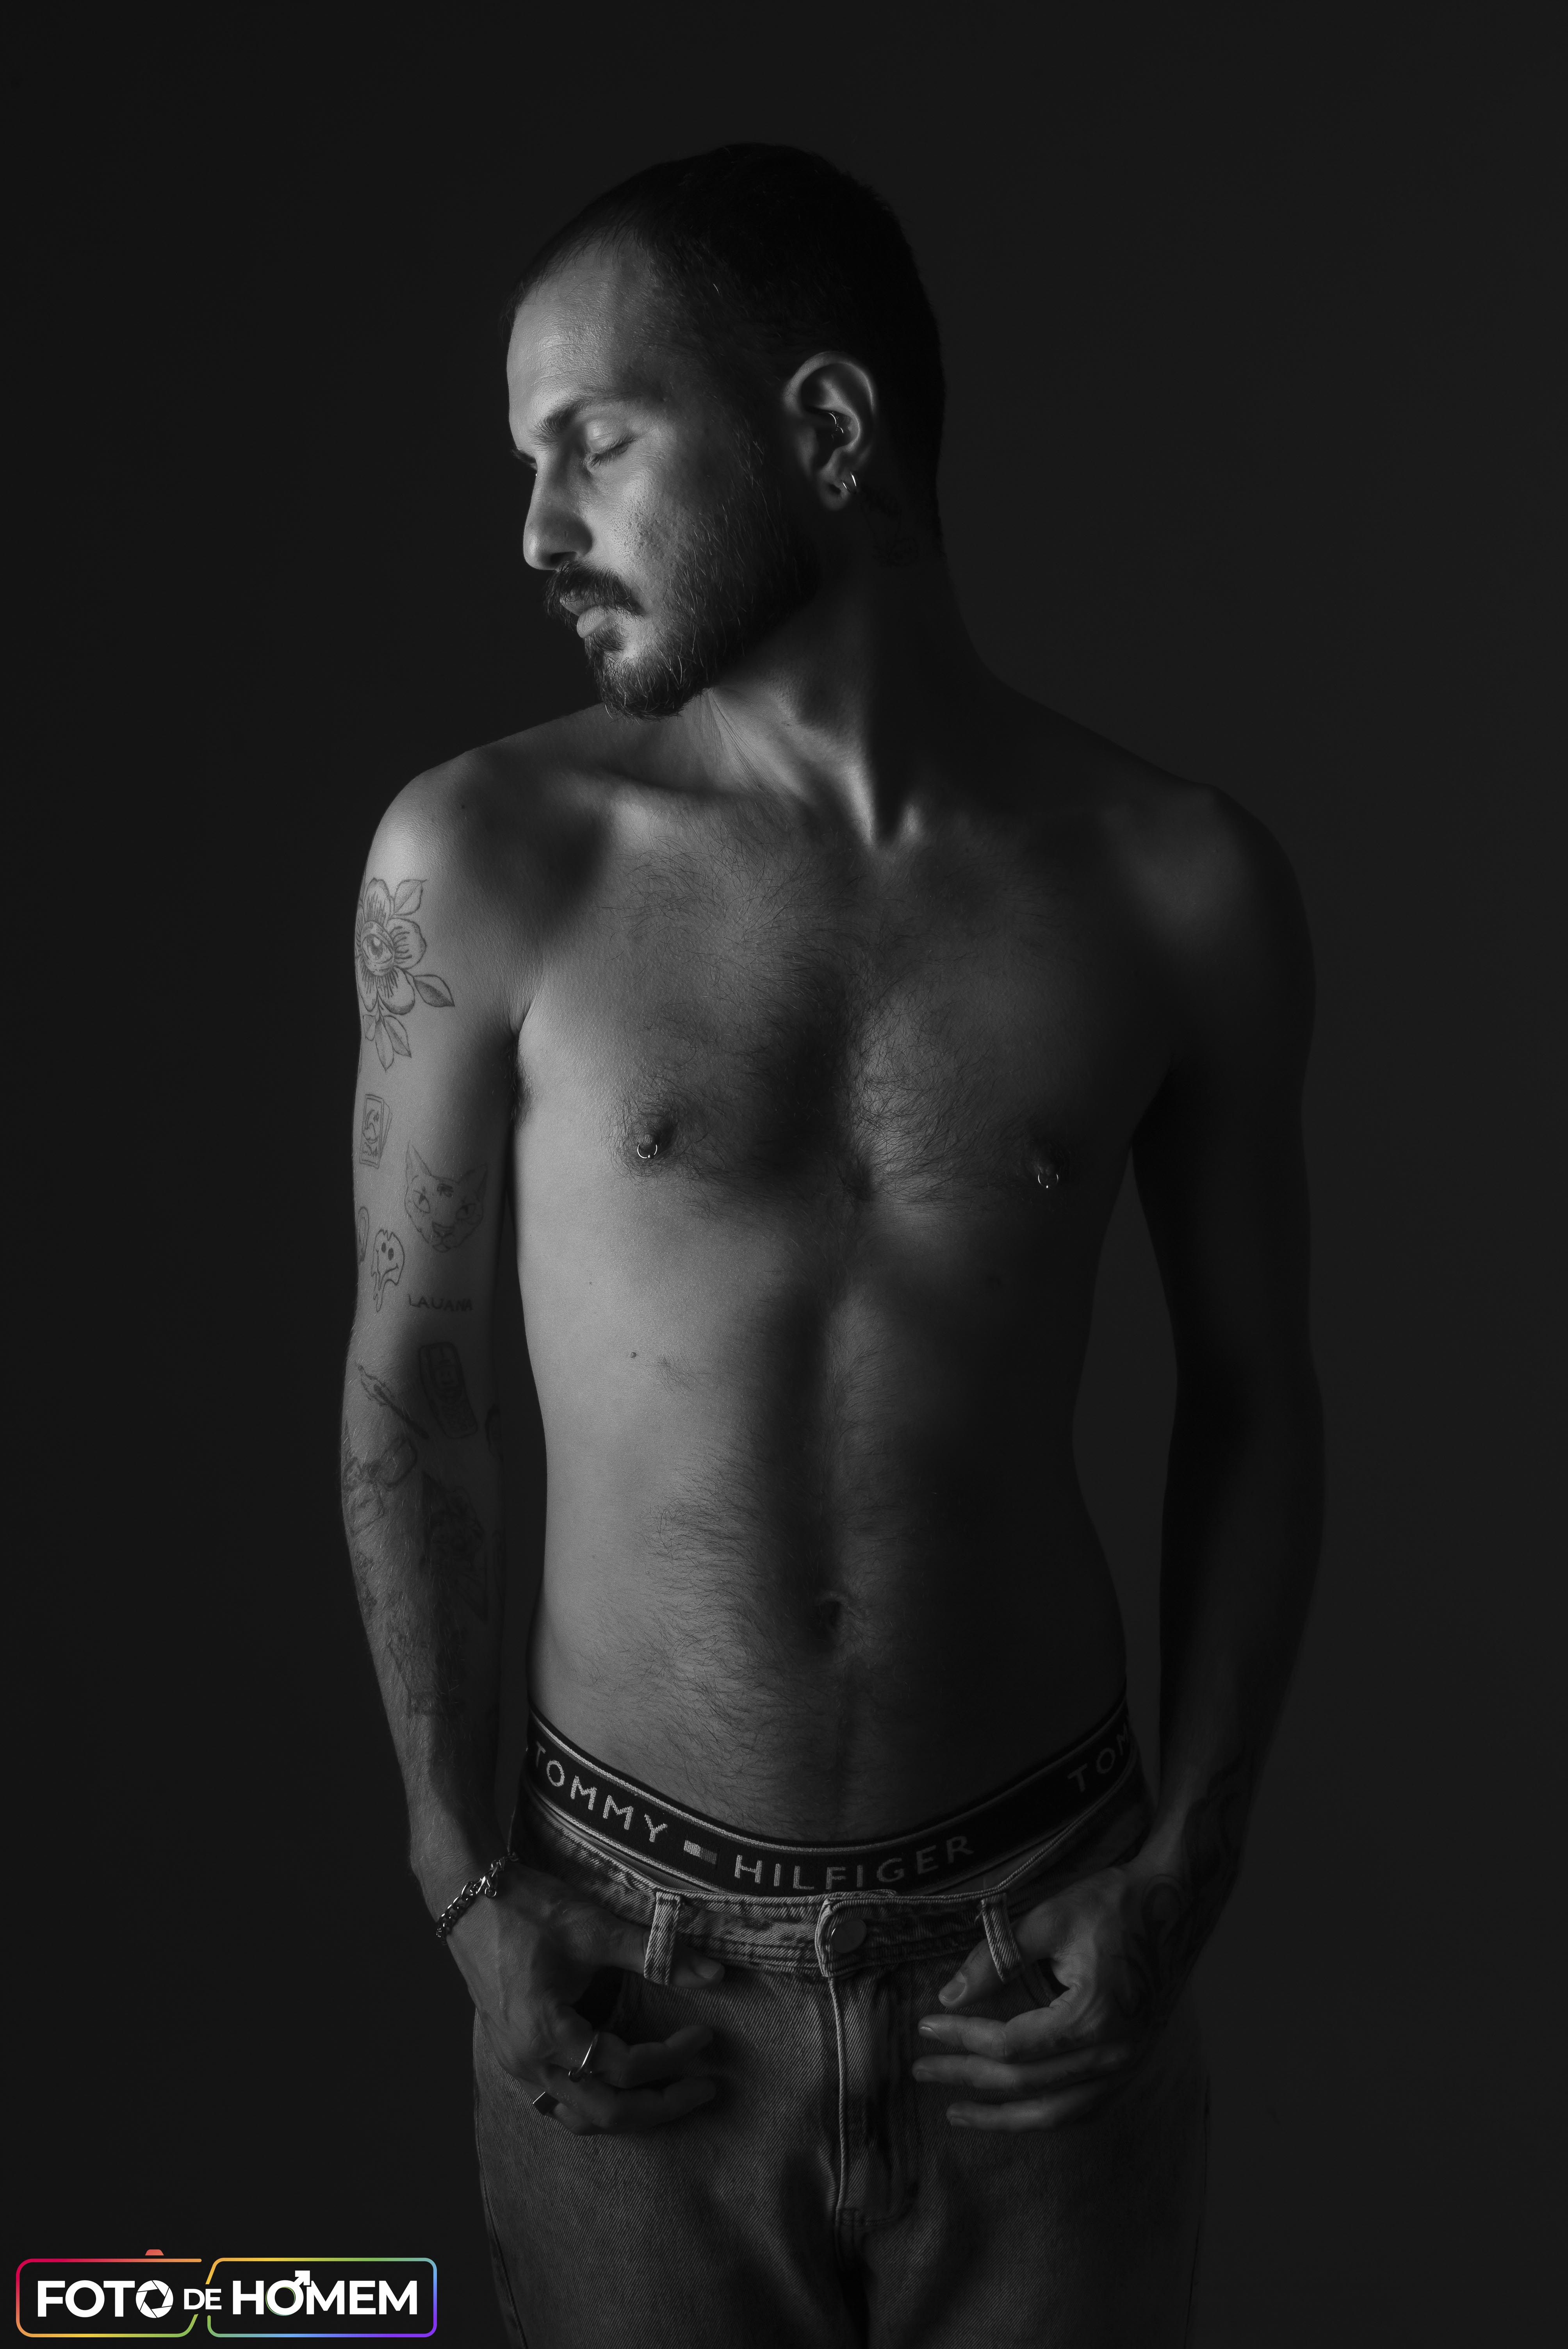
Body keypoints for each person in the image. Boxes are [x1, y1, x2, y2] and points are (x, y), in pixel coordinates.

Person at [340, 144, 1323, 2348]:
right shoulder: (487, 858)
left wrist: (1188, 1872)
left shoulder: (1174, 886)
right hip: (630, 1980)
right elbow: (412, 1374)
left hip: (1042, 1971)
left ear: (828, 429)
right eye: (526, 463)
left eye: (595, 441)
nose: (538, 529)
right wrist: (463, 1883)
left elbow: (1258, 1399)